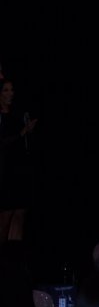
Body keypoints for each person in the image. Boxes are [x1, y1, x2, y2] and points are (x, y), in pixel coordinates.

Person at [0, 78, 38, 242]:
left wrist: (28, 132)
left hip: (20, 168)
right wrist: (21, 133)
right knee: (6, 214)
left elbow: (25, 143)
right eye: (6, 90)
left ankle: (14, 252)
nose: (10, 93)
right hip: (5, 170)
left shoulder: (17, 114)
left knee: (20, 212)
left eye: (12, 90)